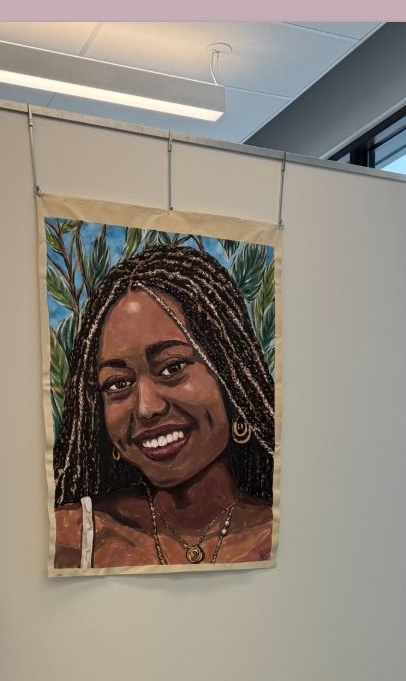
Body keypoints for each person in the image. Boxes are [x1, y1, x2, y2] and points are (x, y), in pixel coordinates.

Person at [52, 243, 276, 570]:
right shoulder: (74, 538)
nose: (146, 407)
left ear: (229, 372)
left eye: (172, 368)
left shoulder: (288, 533)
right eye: (117, 383)